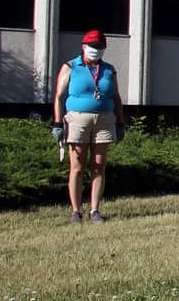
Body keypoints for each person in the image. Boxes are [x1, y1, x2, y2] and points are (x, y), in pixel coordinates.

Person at [52, 30, 125, 224]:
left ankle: (95, 210)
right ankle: (76, 211)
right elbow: (59, 97)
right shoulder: (71, 67)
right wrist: (58, 123)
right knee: (77, 167)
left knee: (99, 166)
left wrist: (120, 122)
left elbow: (116, 97)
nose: (96, 50)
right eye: (93, 47)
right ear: (84, 46)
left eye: (100, 47)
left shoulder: (109, 70)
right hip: (78, 120)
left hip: (104, 120)